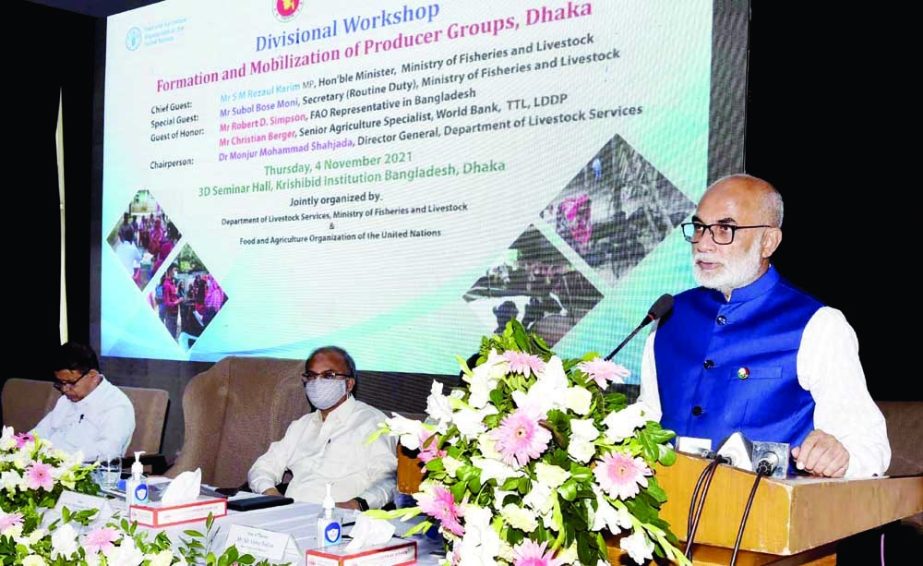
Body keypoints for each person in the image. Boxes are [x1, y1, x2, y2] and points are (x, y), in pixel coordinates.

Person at [638, 174, 890, 478]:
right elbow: (649, 416)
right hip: (668, 513)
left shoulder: (818, 325)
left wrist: (840, 456)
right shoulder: (669, 315)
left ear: (768, 241)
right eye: (700, 227)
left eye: (724, 229)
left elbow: (869, 445)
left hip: (764, 517)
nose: (703, 243)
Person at [247, 346, 397, 509]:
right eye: (311, 376)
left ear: (349, 384)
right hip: (288, 514)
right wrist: (271, 495)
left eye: (328, 375)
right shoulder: (301, 425)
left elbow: (388, 481)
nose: (317, 383)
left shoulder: (373, 422)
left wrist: (356, 504)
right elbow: (262, 467)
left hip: (340, 522)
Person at [33, 342, 135, 462]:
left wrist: (58, 455)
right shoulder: (66, 399)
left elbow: (107, 451)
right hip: (50, 466)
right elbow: (40, 433)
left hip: (85, 472)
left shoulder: (116, 405)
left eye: (71, 383)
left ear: (93, 375)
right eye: (61, 383)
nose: (65, 389)